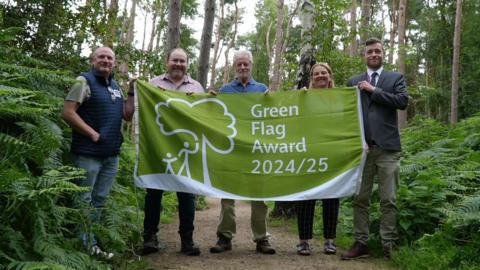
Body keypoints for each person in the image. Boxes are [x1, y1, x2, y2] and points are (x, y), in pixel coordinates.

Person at [62, 46, 134, 257]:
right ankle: (85, 245)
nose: (105, 60)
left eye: (109, 58)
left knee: (99, 199)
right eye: (101, 56)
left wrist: (131, 92)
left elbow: (126, 116)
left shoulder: (114, 86)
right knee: (83, 198)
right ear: (93, 60)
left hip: (111, 155)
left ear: (114, 63)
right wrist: (92, 134)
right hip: (88, 153)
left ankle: (89, 239)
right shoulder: (83, 81)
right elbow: (67, 113)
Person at [342, 37, 409, 260]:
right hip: (362, 150)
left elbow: (402, 101)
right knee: (360, 199)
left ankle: (388, 244)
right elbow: (342, 110)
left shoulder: (395, 78)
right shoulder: (353, 81)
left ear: (383, 54)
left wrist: (373, 90)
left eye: (377, 51)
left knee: (388, 199)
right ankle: (361, 243)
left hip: (388, 148)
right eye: (370, 51)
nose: (373, 54)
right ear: (364, 55)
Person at [209, 50, 276, 255]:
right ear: (234, 67)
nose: (243, 67)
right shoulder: (226, 90)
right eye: (239, 64)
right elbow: (217, 115)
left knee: (259, 196)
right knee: (227, 195)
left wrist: (271, 100)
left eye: (246, 64)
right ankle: (225, 237)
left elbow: (272, 117)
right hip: (232, 150)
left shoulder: (262, 89)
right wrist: (210, 101)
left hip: (255, 150)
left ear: (251, 66)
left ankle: (261, 239)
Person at [141, 48, 204, 256]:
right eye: (175, 60)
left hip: (186, 149)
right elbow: (144, 113)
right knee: (154, 193)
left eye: (182, 61)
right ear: (167, 61)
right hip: (159, 148)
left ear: (187, 64)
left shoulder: (196, 87)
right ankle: (150, 237)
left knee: (187, 196)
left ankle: (187, 240)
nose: (178, 64)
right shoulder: (153, 84)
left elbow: (205, 116)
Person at [295, 63, 340, 256]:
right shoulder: (304, 98)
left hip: (332, 153)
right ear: (311, 78)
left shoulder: (341, 99)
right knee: (306, 197)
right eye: (316, 74)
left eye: (324, 73)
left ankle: (330, 240)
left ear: (330, 76)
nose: (320, 76)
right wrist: (298, 97)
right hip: (308, 153)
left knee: (331, 197)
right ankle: (303, 241)